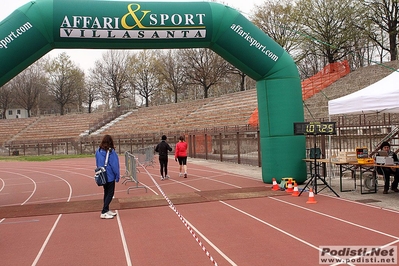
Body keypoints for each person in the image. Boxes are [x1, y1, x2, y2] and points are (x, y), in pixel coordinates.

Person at [95, 134, 120, 219]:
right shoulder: (111, 152)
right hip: (109, 175)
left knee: (106, 192)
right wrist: (117, 175)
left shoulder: (98, 151)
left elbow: (97, 162)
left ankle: (107, 209)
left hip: (102, 174)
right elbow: (114, 165)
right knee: (110, 193)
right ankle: (104, 211)